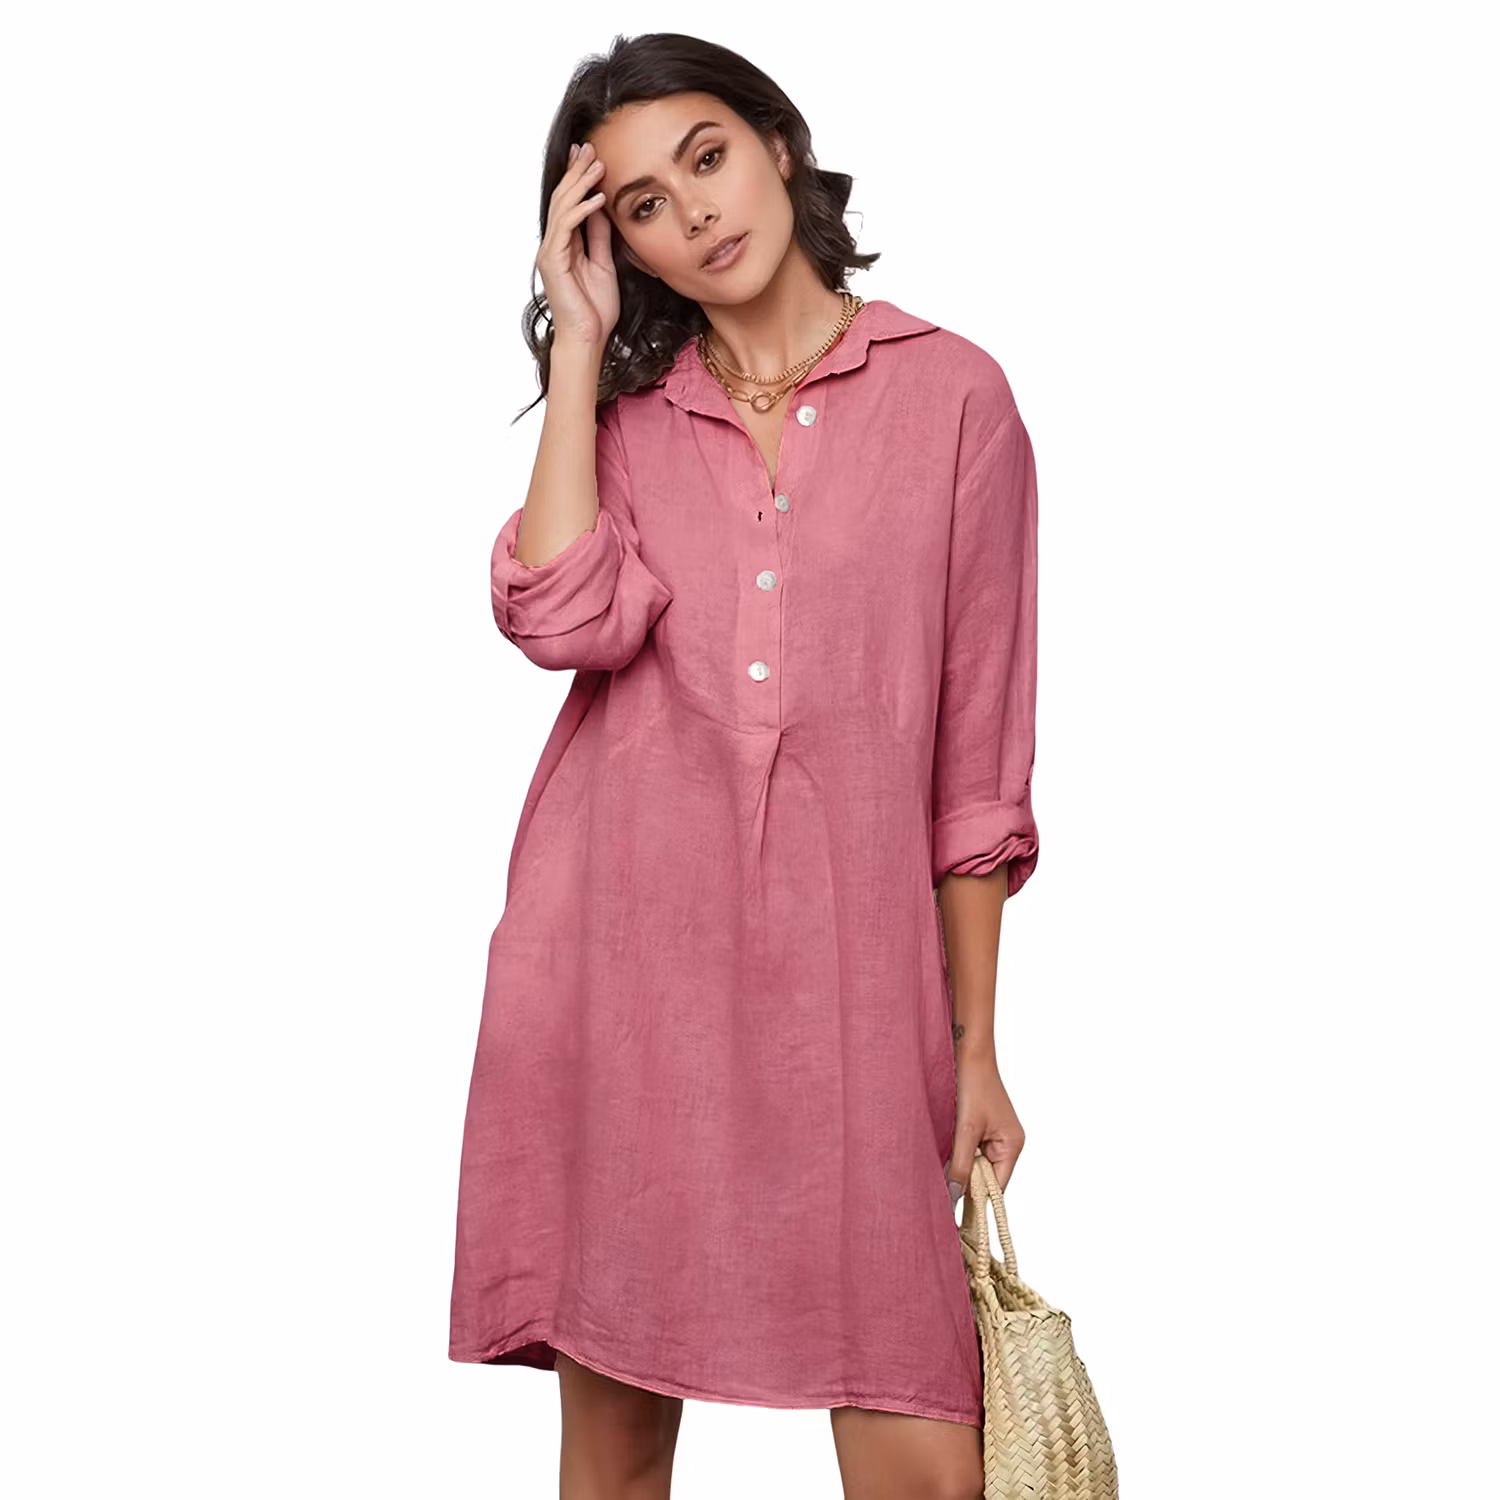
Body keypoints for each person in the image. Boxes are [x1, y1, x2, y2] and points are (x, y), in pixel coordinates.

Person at [450, 32, 1040, 1500]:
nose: (694, 212)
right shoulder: (629, 426)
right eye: (643, 204)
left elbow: (975, 770)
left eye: (707, 156)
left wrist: (974, 1047)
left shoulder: (954, 397)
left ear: (778, 143)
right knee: (614, 1459)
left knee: (923, 1449)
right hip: (625, 989)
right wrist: (577, 350)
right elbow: (563, 616)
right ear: (617, 244)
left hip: (853, 1001)